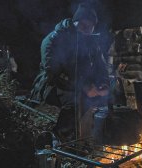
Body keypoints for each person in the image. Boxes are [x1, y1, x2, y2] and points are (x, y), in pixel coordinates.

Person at [30, 3, 109, 142]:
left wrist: (104, 84)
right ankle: (59, 138)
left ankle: (97, 136)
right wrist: (84, 88)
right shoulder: (54, 39)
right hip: (50, 85)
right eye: (83, 26)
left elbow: (101, 67)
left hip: (80, 85)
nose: (87, 31)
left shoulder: (90, 42)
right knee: (77, 101)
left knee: (106, 97)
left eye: (90, 28)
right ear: (74, 23)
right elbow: (52, 73)